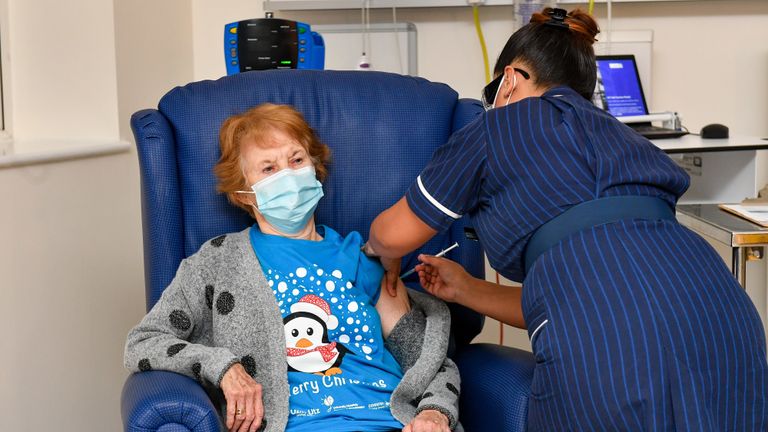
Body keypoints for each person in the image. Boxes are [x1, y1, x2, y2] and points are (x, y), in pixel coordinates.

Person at [366, 7, 768, 431]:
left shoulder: (495, 128)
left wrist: (378, 253)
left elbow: (392, 236)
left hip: (607, 344)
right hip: (723, 318)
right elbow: (583, 290)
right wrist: (466, 288)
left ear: (509, 81)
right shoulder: (625, 136)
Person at [124, 104, 462, 432]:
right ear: (245, 193)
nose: (287, 175)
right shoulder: (217, 262)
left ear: (315, 167)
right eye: (268, 169)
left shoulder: (362, 259)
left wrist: (434, 413)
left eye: (297, 160)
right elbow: (143, 342)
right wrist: (223, 368)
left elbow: (428, 359)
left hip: (390, 422)